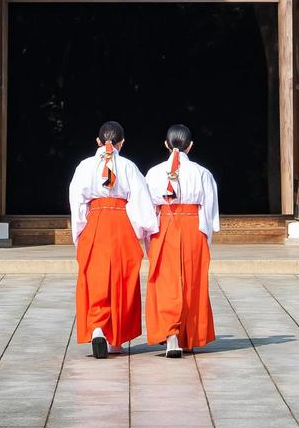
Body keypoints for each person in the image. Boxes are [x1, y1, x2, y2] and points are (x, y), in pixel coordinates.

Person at [69, 120, 159, 359]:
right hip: (121, 222)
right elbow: (141, 201)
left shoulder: (84, 166)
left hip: (94, 222)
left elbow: (76, 201)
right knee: (122, 279)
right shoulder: (128, 166)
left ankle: (98, 327)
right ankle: (116, 338)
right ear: (122, 143)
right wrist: (142, 232)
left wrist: (79, 233)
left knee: (95, 278)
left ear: (98, 142)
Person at [144, 123, 218, 358]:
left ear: (166, 145)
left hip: (164, 225)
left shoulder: (154, 173)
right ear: (191, 145)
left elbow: (147, 210)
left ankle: (171, 335)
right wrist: (206, 238)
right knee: (192, 280)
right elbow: (209, 210)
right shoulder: (202, 173)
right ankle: (189, 335)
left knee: (166, 281)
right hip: (193, 225)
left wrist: (148, 237)